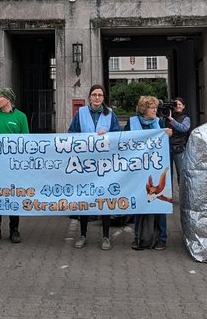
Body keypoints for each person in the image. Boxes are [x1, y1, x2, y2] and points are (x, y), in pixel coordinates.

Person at [68, 84, 122, 249]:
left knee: (104, 199)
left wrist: (108, 136)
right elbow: (72, 133)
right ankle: (83, 234)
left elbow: (118, 134)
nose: (97, 98)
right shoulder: (81, 113)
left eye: (100, 95)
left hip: (104, 164)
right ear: (90, 97)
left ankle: (106, 236)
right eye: (94, 95)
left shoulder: (110, 114)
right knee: (85, 198)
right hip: (85, 163)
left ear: (103, 98)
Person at [0, 87, 29, 244]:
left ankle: (14, 229)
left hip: (13, 166)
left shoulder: (21, 117)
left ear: (8, 99)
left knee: (13, 197)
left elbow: (26, 141)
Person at [128, 95, 173, 251]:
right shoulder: (132, 122)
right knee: (140, 203)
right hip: (138, 170)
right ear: (143, 109)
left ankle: (162, 238)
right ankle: (139, 237)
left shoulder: (159, 123)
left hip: (156, 168)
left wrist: (167, 133)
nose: (155, 110)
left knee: (160, 203)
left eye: (155, 107)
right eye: (152, 107)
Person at [167, 97, 192, 184]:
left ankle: (183, 196)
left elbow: (183, 128)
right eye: (175, 104)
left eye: (179, 104)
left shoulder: (186, 118)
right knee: (167, 175)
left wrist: (171, 120)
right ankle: (169, 196)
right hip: (167, 149)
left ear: (183, 106)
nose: (177, 106)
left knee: (181, 174)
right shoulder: (167, 116)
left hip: (179, 149)